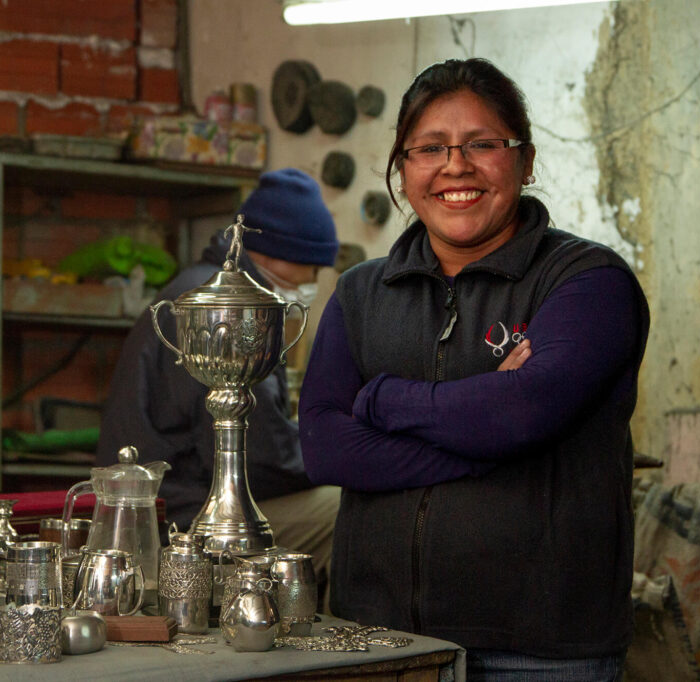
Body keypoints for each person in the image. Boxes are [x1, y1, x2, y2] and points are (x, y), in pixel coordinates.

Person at [298, 58, 650, 682]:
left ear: (525, 159)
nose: (455, 166)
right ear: (404, 169)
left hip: (539, 651)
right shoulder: (360, 295)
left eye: (482, 144)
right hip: (376, 642)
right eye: (430, 147)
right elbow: (326, 449)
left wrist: (382, 402)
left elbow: (519, 414)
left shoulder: (586, 282)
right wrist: (486, 439)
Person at [96, 168, 341, 585]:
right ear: (272, 250)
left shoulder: (195, 288)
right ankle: (347, 646)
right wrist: (347, 453)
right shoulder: (233, 309)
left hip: (175, 498)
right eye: (310, 268)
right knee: (347, 509)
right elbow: (262, 459)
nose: (312, 283)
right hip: (182, 517)